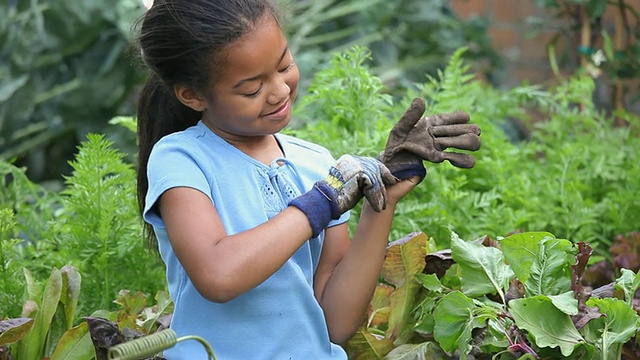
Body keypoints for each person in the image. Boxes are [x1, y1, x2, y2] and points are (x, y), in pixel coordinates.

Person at [134, 0, 479, 358]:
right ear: (192, 95)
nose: (280, 91)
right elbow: (219, 275)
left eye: (284, 65)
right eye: (252, 89)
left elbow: (335, 323)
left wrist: (383, 201)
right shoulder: (182, 159)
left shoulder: (314, 163)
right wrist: (321, 202)